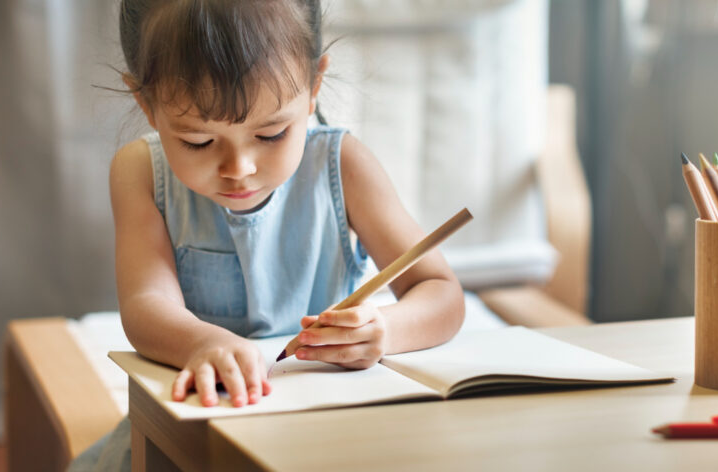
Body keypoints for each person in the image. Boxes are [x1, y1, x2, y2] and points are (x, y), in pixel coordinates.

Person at [70, 0, 465, 469]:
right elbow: (144, 304)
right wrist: (202, 344)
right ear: (147, 105)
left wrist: (385, 329)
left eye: (272, 134)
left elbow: (440, 291)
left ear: (314, 86)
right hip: (201, 424)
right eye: (198, 141)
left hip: (327, 429)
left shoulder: (345, 166)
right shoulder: (139, 172)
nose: (239, 170)